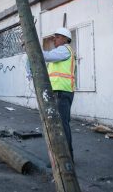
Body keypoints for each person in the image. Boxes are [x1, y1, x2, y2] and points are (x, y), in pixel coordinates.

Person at [43, 27, 76, 160]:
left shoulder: (64, 50)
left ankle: (66, 158)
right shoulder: (61, 51)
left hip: (62, 93)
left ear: (65, 39)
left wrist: (31, 47)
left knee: (62, 125)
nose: (54, 40)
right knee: (61, 125)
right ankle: (62, 157)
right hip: (60, 92)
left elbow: (46, 56)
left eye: (56, 37)